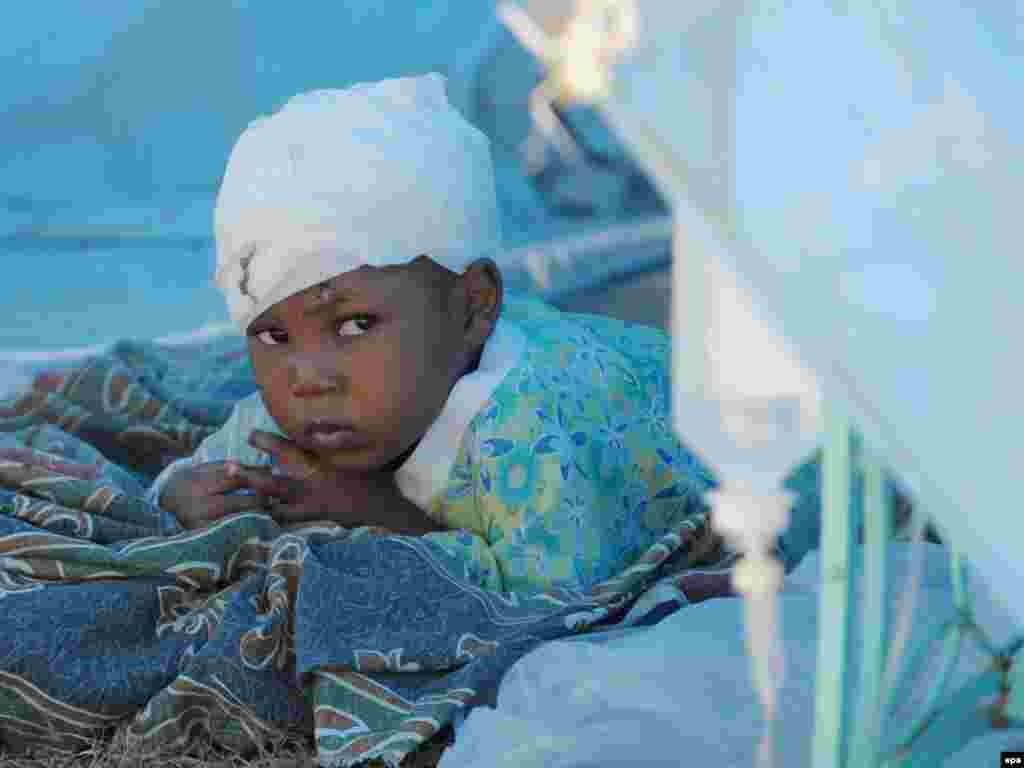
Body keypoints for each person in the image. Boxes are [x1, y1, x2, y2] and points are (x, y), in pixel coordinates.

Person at [148, 73, 805, 594]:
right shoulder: (295, 412)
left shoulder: (527, 426)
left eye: (354, 324)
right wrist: (183, 493)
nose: (308, 377)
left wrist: (377, 512)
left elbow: (552, 595)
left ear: (472, 308)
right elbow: (206, 470)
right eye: (271, 335)